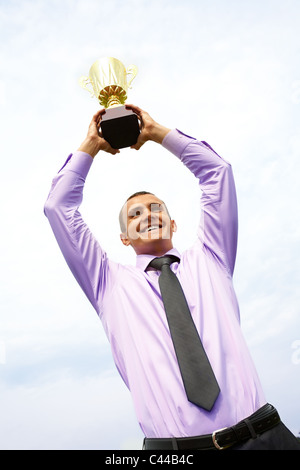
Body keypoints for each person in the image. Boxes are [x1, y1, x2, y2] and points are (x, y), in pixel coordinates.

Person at [44, 105, 300, 450]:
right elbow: (58, 208)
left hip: (265, 437)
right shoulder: (108, 283)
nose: (148, 214)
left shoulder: (212, 257)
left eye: (156, 208)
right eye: (135, 214)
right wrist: (90, 146)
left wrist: (156, 133)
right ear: (124, 237)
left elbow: (217, 173)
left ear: (173, 223)